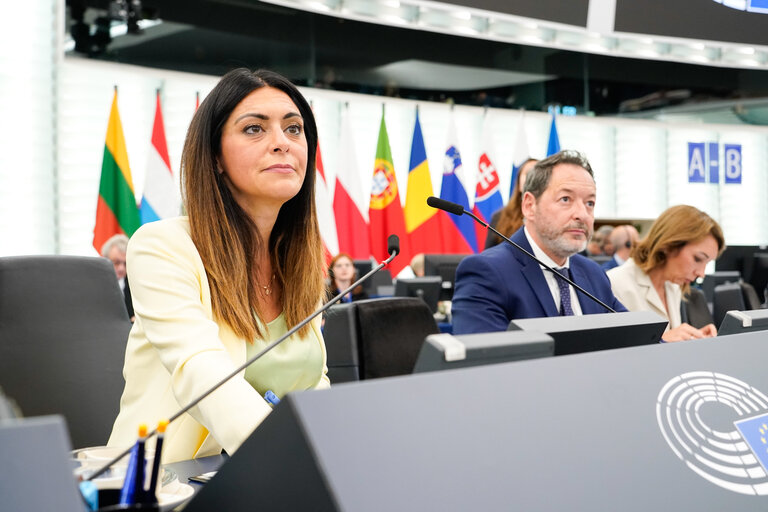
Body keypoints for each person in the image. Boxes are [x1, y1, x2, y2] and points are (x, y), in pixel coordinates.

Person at [108, 68, 330, 463]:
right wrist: (302, 461)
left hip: (267, 479)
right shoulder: (163, 246)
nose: (282, 143)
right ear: (215, 158)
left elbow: (313, 384)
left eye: (294, 129)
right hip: (167, 485)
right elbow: (203, 374)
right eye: (254, 129)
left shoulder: (301, 262)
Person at [452, 150, 626, 334]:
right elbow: (485, 357)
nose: (582, 214)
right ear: (529, 206)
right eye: (565, 199)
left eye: (590, 203)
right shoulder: (486, 272)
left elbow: (637, 338)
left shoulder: (594, 274)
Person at [607, 205, 723, 342]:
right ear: (668, 245)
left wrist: (693, 337)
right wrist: (660, 340)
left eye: (707, 263)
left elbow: (670, 341)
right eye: (698, 259)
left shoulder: (673, 286)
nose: (701, 273)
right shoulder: (614, 284)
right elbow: (611, 352)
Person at [484, 158, 537, 249]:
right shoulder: (500, 217)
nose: (532, 178)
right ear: (519, 184)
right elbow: (487, 255)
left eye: (537, 174)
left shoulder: (553, 216)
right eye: (528, 173)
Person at [101, 233, 134, 321]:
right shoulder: (96, 285)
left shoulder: (134, 284)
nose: (121, 268)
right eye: (116, 262)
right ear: (105, 260)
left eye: (125, 263)